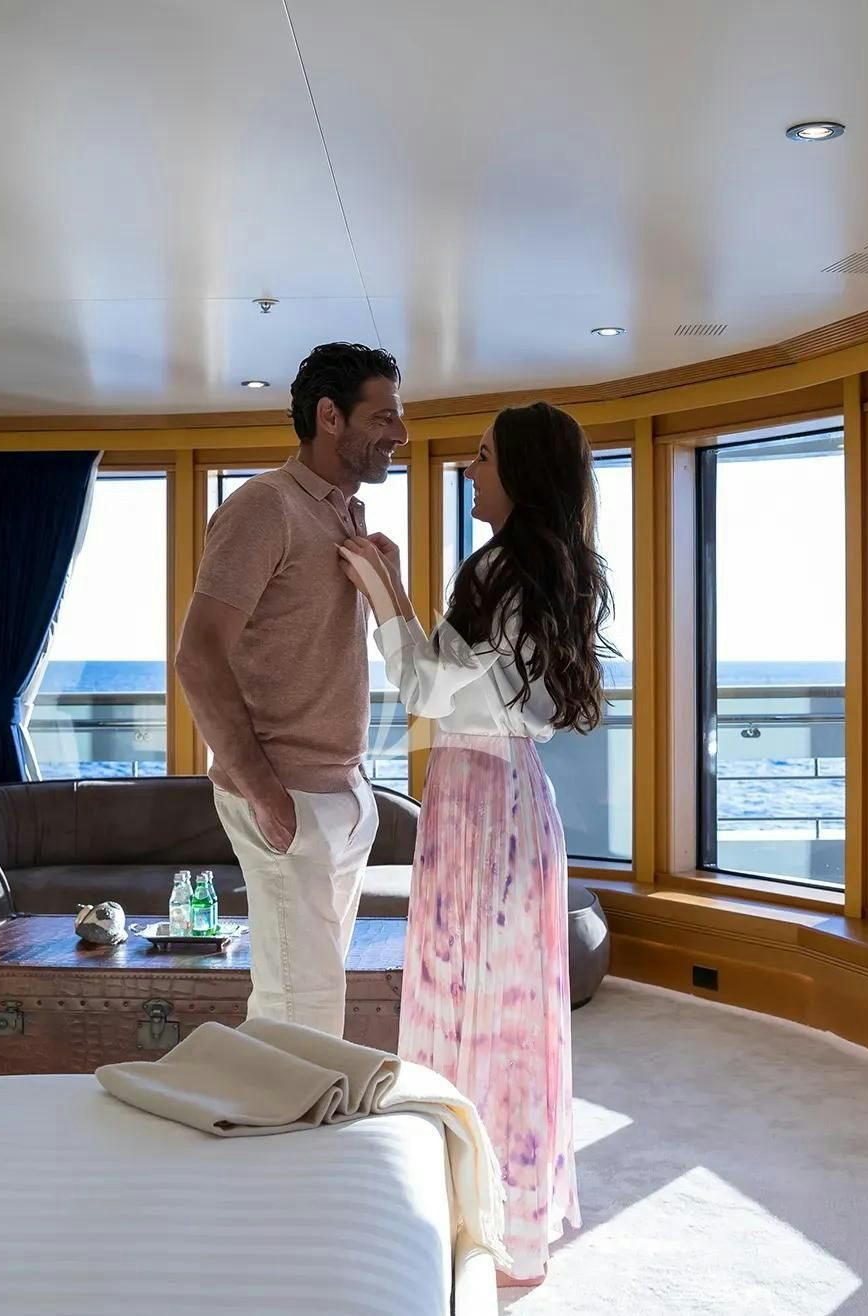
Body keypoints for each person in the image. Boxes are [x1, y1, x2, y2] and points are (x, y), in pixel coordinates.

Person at [338, 400, 609, 1284]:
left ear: (520, 473)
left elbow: (421, 687)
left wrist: (382, 586)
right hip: (507, 797)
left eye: (483, 458)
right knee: (507, 1013)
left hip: (478, 800)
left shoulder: (500, 569)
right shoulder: (541, 568)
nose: (469, 470)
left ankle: (467, 1219)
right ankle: (502, 1216)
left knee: (469, 1005)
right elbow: (456, 685)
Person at [174, 342, 407, 1036]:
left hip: (343, 790)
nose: (400, 433)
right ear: (330, 417)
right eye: (385, 416)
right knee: (299, 1010)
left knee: (313, 998)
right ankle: (279, 1133)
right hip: (288, 794)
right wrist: (264, 792)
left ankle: (285, 1125)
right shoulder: (264, 507)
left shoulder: (346, 515)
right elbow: (197, 655)